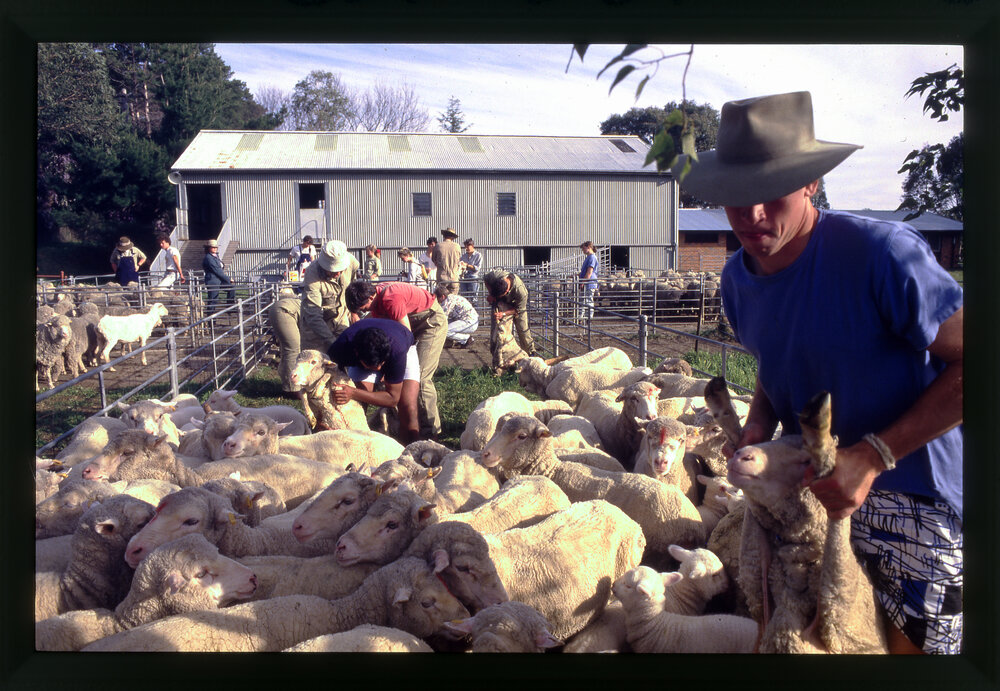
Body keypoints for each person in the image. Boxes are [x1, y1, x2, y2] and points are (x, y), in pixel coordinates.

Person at [673, 91, 963, 655]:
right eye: (735, 196)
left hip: (910, 496)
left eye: (770, 193)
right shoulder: (737, 280)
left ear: (811, 183)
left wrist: (873, 455)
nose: (752, 216)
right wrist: (758, 422)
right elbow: (776, 361)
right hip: (806, 495)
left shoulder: (880, 255)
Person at [344, 279, 447, 441]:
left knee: (422, 377)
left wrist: (390, 366)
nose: (363, 312)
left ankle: (430, 433)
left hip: (430, 323)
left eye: (363, 308)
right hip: (410, 321)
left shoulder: (390, 299)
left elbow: (405, 335)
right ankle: (402, 424)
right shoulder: (376, 299)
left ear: (370, 298)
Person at [267, 240, 353, 394]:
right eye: (332, 270)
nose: (338, 273)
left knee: (345, 354)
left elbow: (350, 288)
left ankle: (343, 387)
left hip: (340, 316)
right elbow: (313, 314)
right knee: (313, 358)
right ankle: (303, 392)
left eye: (340, 269)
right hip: (315, 320)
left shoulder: (351, 262)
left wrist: (350, 314)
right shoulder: (312, 275)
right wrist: (331, 342)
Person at [327, 318, 421, 444]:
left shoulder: (396, 351)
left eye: (381, 364)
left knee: (409, 409)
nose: (378, 369)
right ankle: (350, 445)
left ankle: (411, 453)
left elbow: (393, 399)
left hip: (401, 344)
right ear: (356, 354)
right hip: (365, 350)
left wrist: (353, 392)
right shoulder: (340, 349)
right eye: (373, 366)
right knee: (354, 404)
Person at [482, 268, 536, 359]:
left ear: (506, 291)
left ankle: (530, 355)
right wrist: (491, 294)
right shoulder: (495, 276)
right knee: (496, 329)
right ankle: (496, 356)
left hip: (516, 305)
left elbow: (518, 309)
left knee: (523, 330)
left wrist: (503, 314)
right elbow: (486, 279)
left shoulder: (521, 292)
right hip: (500, 302)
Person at [433, 284, 479, 349]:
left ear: (442, 296)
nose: (437, 301)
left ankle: (466, 339)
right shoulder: (452, 297)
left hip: (469, 322)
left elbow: (441, 318)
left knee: (444, 330)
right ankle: (450, 342)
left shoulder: (447, 301)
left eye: (437, 298)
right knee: (445, 325)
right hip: (469, 320)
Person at [202, 239, 235, 311]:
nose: (215, 249)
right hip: (212, 280)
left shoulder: (215, 256)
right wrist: (228, 279)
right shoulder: (209, 257)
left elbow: (220, 270)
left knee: (231, 287)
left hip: (219, 279)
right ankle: (211, 319)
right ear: (208, 248)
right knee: (213, 300)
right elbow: (217, 270)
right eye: (213, 247)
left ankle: (230, 307)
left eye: (216, 247)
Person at [432, 227, 462, 295]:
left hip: (442, 277)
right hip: (454, 277)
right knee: (453, 299)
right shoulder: (457, 246)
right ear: (453, 237)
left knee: (442, 299)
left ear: (444, 235)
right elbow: (459, 259)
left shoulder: (438, 246)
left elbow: (434, 259)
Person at [578, 240, 599, 320]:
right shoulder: (589, 257)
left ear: (589, 247)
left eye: (584, 249)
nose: (583, 251)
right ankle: (581, 317)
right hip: (587, 281)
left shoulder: (592, 257)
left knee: (588, 299)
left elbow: (589, 272)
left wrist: (583, 282)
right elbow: (585, 271)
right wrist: (576, 275)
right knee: (583, 300)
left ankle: (589, 317)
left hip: (589, 282)